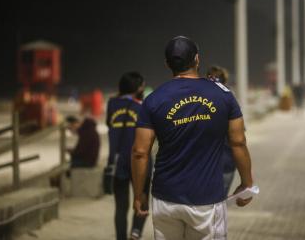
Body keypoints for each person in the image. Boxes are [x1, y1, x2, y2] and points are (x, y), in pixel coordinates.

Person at [131, 36, 254, 240]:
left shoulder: (153, 100)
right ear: (197, 59)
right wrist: (246, 184)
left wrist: (138, 194)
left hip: (165, 198)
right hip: (206, 200)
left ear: (167, 64)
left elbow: (139, 152)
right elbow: (238, 141)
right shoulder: (223, 95)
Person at [106, 72, 151, 240]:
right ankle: (136, 232)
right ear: (138, 88)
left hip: (117, 161)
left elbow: (110, 125)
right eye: (142, 86)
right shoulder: (143, 106)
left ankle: (121, 238)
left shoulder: (111, 104)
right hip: (140, 160)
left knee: (121, 206)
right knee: (143, 199)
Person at [206, 65, 235, 195]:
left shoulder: (195, 100)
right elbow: (238, 139)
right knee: (219, 205)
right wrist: (247, 177)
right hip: (226, 162)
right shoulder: (230, 100)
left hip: (202, 165)